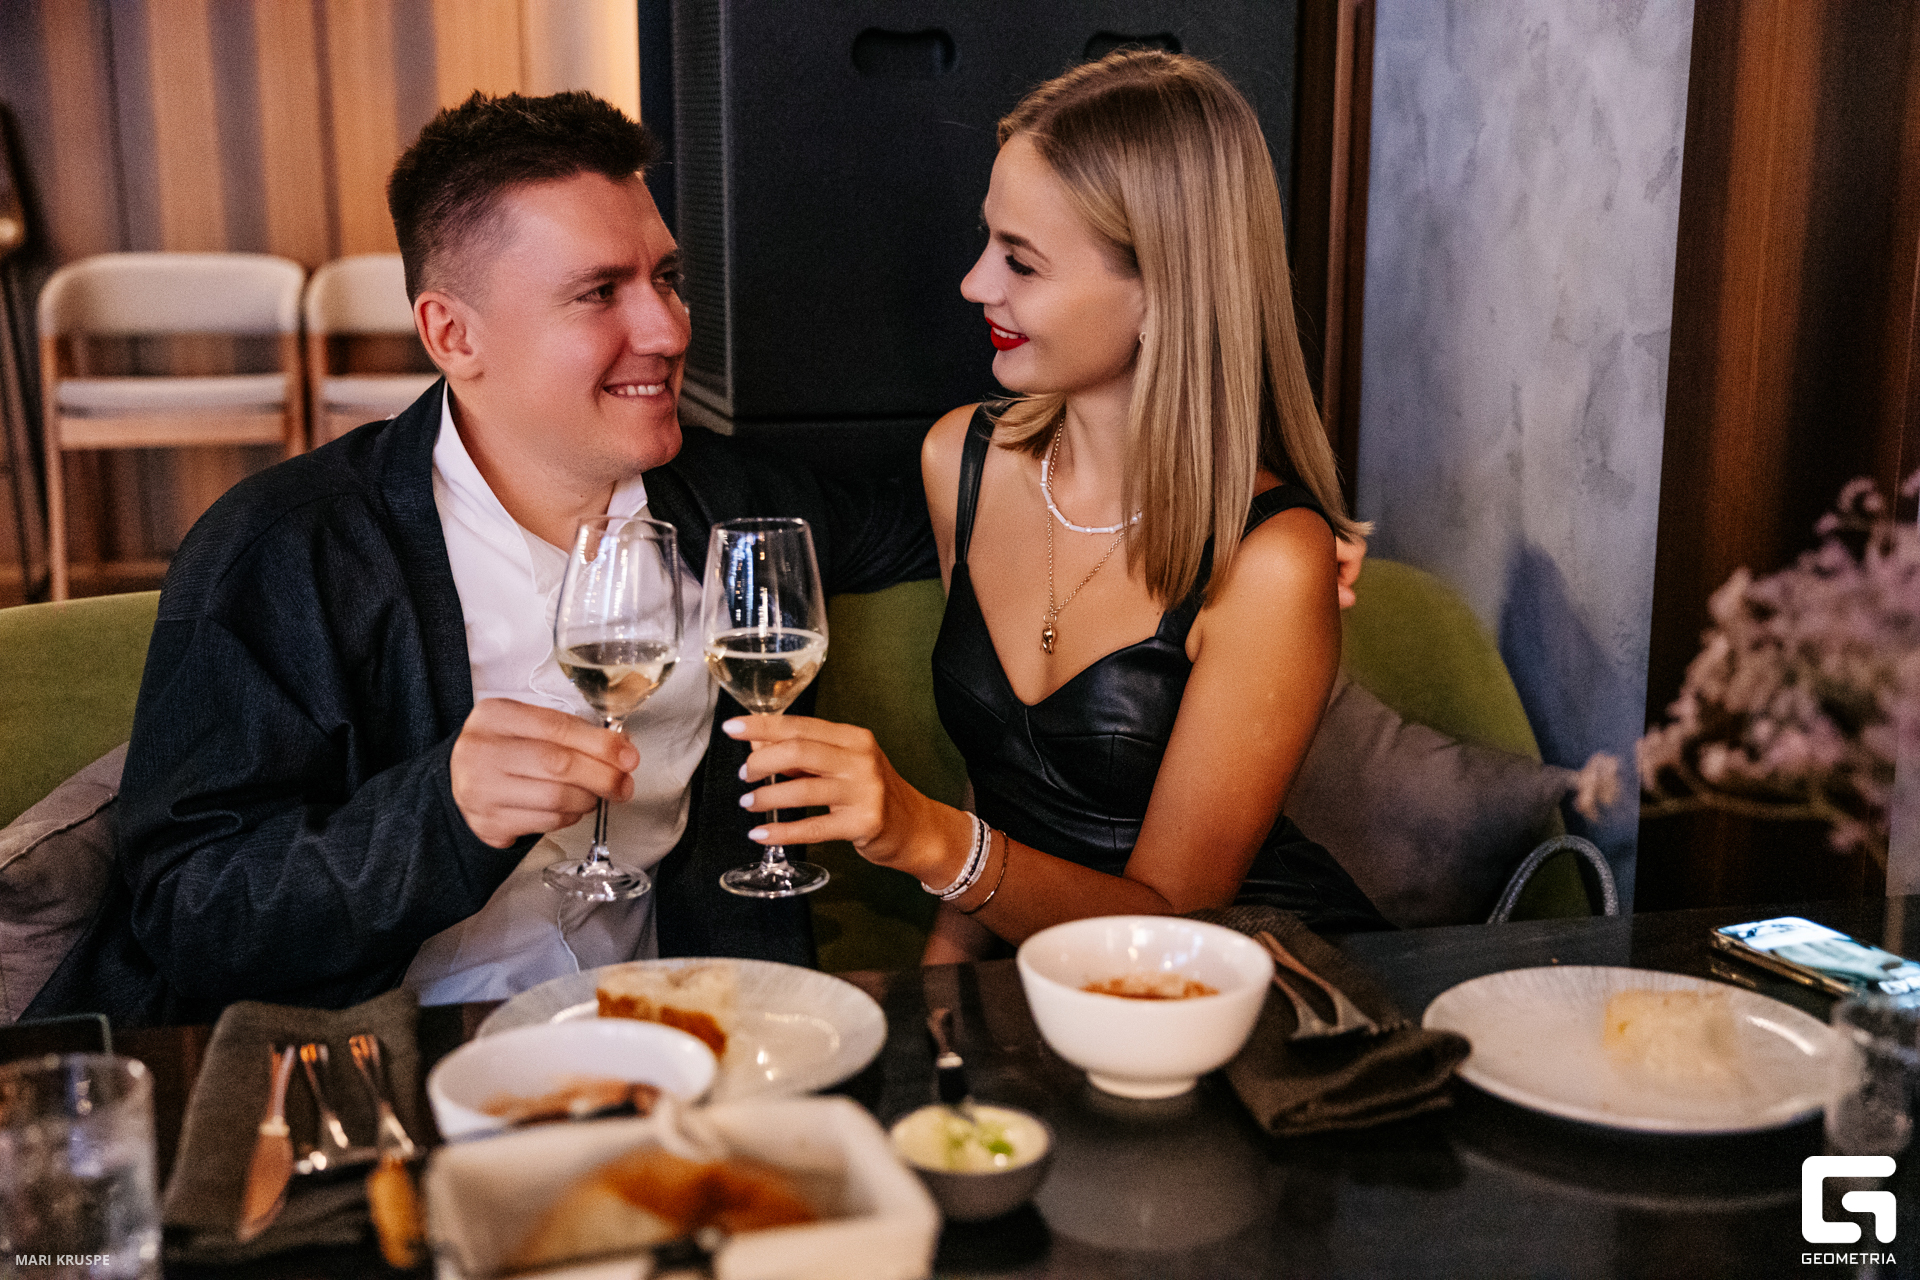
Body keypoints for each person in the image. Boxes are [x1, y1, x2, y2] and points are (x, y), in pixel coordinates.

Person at [28, 91, 934, 1026]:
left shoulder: (740, 509)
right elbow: (190, 912)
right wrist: (442, 812)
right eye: (599, 293)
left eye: (666, 278)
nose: (669, 330)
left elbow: (961, 511)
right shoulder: (287, 548)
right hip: (389, 1065)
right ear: (452, 335)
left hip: (673, 1042)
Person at [727, 51, 1389, 961]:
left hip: (1248, 986)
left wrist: (928, 839)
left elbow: (1173, 926)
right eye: (988, 241)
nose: (975, 284)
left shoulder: (1271, 558)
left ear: (1163, 291)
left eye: (1021, 262)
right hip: (1053, 982)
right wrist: (938, 1006)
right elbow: (1002, 796)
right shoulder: (961, 459)